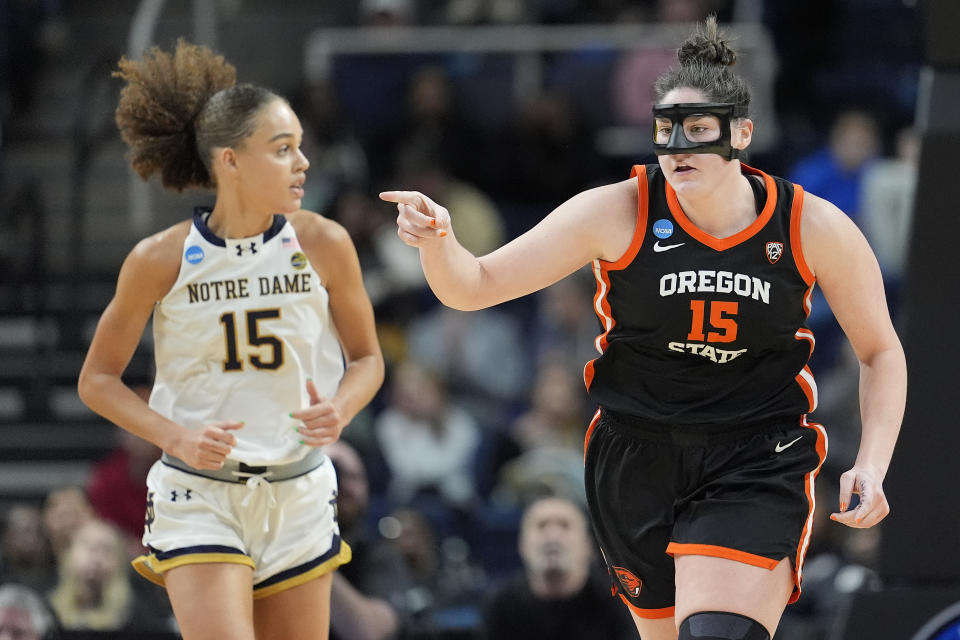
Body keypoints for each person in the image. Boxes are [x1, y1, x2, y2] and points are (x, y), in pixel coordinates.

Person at [381, 16, 906, 640]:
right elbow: (473, 288)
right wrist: (439, 243)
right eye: (665, 130)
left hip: (754, 455)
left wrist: (871, 464)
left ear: (741, 134)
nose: (678, 147)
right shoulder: (618, 209)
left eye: (698, 130)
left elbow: (879, 352)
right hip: (635, 456)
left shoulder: (810, 225)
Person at [76, 40, 384, 640]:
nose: (303, 163)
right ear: (230, 162)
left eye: (300, 146)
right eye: (283, 149)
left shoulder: (324, 242)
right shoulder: (160, 259)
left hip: (297, 488)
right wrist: (175, 436)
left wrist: (340, 410)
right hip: (201, 494)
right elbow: (97, 380)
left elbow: (368, 359)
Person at [482, 496, 635, 640]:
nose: (552, 536)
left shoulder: (618, 603)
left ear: (588, 545)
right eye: (541, 526)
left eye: (565, 525)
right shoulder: (501, 607)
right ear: (522, 545)